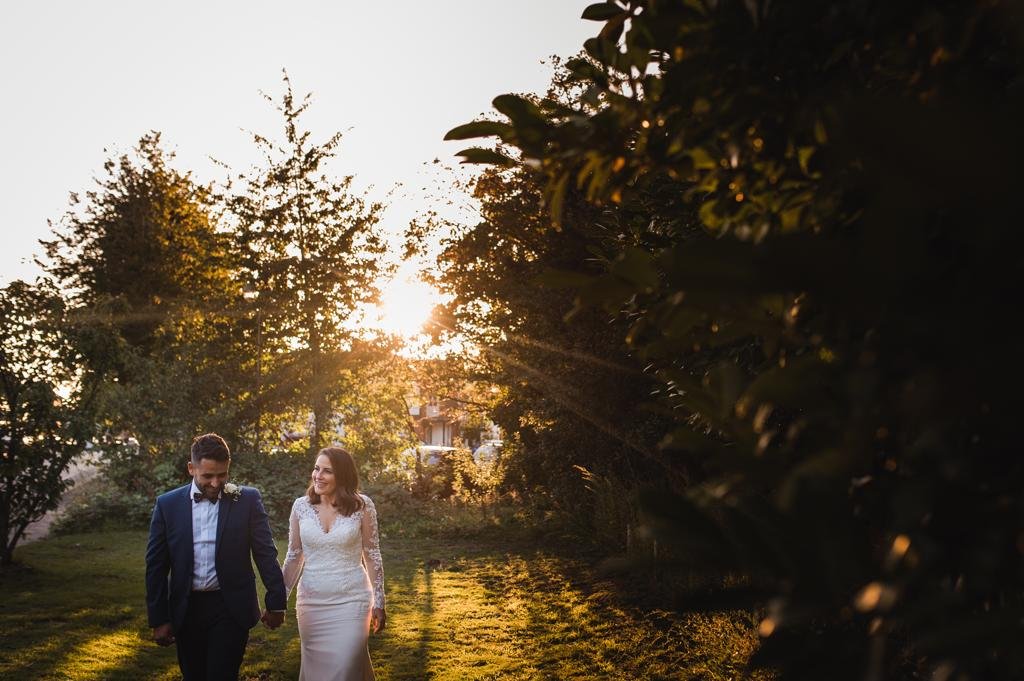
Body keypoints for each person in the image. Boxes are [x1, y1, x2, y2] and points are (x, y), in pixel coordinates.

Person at [145, 433, 287, 681]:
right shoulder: (167, 505)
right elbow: (156, 566)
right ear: (191, 468)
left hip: (230, 607)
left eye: (222, 475)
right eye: (207, 476)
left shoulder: (247, 500)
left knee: (222, 675)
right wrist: (159, 618)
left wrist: (276, 602)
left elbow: (265, 552)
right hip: (186, 609)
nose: (215, 483)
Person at [281, 446, 386, 681]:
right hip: (311, 604)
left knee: (345, 666)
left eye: (327, 471)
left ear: (343, 476)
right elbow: (294, 556)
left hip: (352, 601)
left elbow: (372, 555)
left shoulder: (363, 506)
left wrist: (379, 602)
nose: (318, 476)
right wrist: (278, 600)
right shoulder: (301, 506)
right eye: (316, 468)